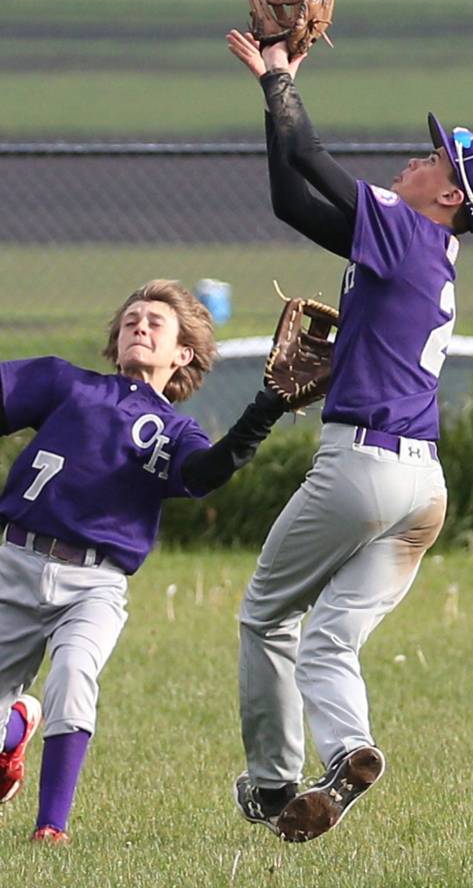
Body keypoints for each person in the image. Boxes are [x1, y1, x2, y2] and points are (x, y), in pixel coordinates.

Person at [225, 28, 473, 843]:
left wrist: (278, 78)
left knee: (266, 615)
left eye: (431, 159)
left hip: (361, 467)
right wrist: (270, 96)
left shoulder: (412, 233)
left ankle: (274, 783)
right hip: (422, 491)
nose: (413, 160)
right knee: (331, 637)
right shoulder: (415, 252)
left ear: (449, 195)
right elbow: (291, 199)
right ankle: (348, 751)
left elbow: (310, 156)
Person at [0, 278, 286, 844]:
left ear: (183, 353)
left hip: (94, 583)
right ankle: (14, 730)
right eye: (132, 318)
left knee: (75, 674)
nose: (141, 325)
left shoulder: (178, 431)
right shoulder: (67, 383)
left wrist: (267, 407)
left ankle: (51, 828)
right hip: (12, 561)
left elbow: (204, 473)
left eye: (156, 321)